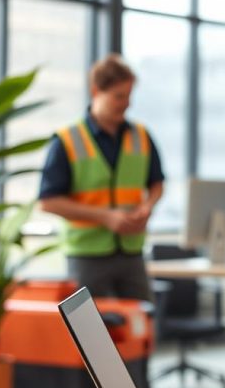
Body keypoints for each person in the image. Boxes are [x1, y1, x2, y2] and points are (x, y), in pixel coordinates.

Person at [39, 54, 164, 302]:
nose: (127, 103)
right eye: (119, 96)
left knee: (140, 326)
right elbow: (48, 202)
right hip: (87, 255)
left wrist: (147, 207)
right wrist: (106, 217)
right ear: (96, 91)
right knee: (88, 332)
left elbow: (157, 183)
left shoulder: (141, 135)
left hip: (131, 251)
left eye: (129, 95)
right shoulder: (67, 139)